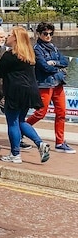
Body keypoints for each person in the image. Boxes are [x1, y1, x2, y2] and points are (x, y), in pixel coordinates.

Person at [0, 26, 50, 164]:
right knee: (21, 121)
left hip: (15, 92)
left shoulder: (10, 55)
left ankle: (15, 154)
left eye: (9, 35)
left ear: (15, 38)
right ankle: (40, 143)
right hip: (30, 92)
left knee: (12, 122)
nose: (7, 38)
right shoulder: (28, 54)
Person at [25, 22, 75, 153]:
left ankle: (60, 142)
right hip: (45, 85)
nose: (48, 36)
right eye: (45, 33)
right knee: (41, 113)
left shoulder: (54, 47)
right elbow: (44, 67)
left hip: (58, 83)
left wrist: (54, 63)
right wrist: (58, 68)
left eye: (50, 34)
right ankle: (22, 128)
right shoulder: (36, 49)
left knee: (62, 113)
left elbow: (64, 62)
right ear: (39, 34)